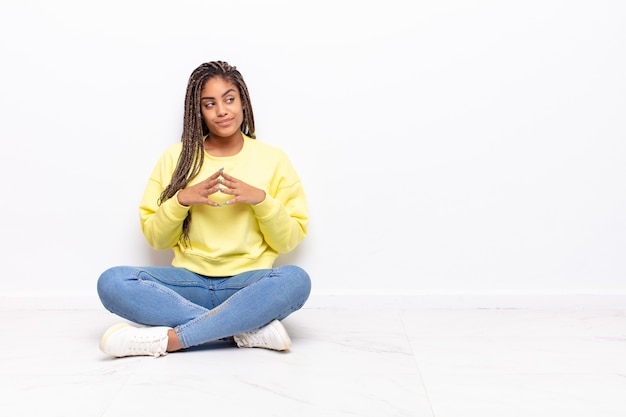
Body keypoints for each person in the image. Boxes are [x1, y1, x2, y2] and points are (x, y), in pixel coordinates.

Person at [97, 61, 311, 358]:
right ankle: (243, 329)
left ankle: (173, 340)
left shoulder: (273, 159)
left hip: (248, 285)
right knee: (112, 282)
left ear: (243, 102)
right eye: (209, 104)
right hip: (189, 283)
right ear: (198, 111)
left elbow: (287, 241)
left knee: (296, 280)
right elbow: (157, 240)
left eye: (229, 99)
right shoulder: (177, 158)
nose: (222, 110)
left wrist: (261, 200)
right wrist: (182, 200)